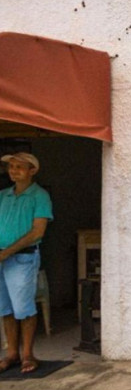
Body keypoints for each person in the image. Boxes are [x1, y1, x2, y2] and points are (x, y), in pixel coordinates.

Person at [0, 153, 53, 374]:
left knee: (24, 308)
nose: (13, 171)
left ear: (32, 170)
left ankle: (28, 354)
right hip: (2, 258)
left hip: (23, 258)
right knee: (5, 308)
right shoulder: (3, 195)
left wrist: (7, 252)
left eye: (19, 167)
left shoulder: (40, 196)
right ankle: (12, 354)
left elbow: (37, 232)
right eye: (11, 166)